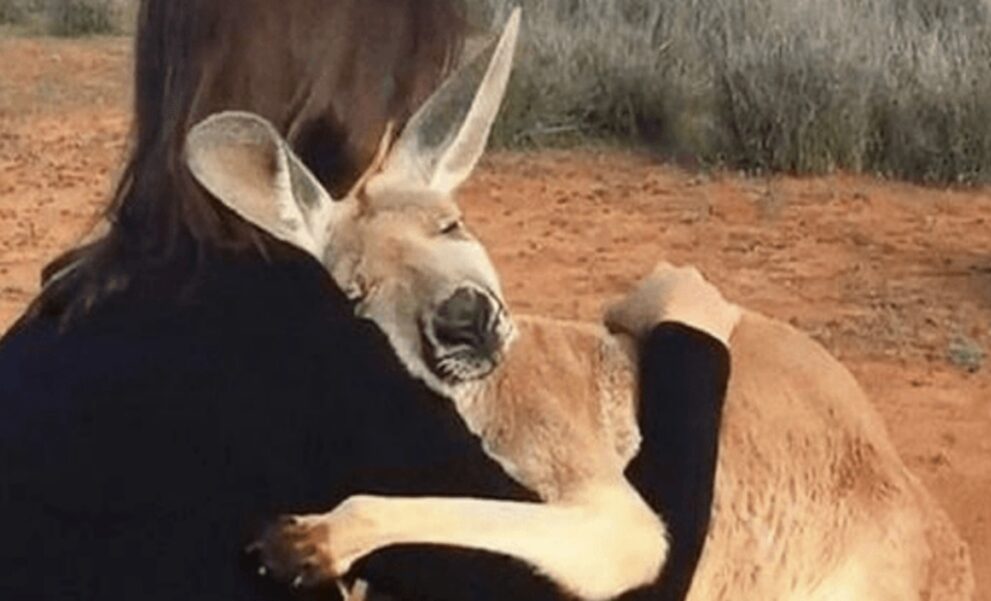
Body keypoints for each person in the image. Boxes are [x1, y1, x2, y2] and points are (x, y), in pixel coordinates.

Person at [0, 1, 735, 600]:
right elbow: (626, 579)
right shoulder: (321, 364)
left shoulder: (47, 327)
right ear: (351, 103)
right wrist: (690, 346)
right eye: (397, 90)